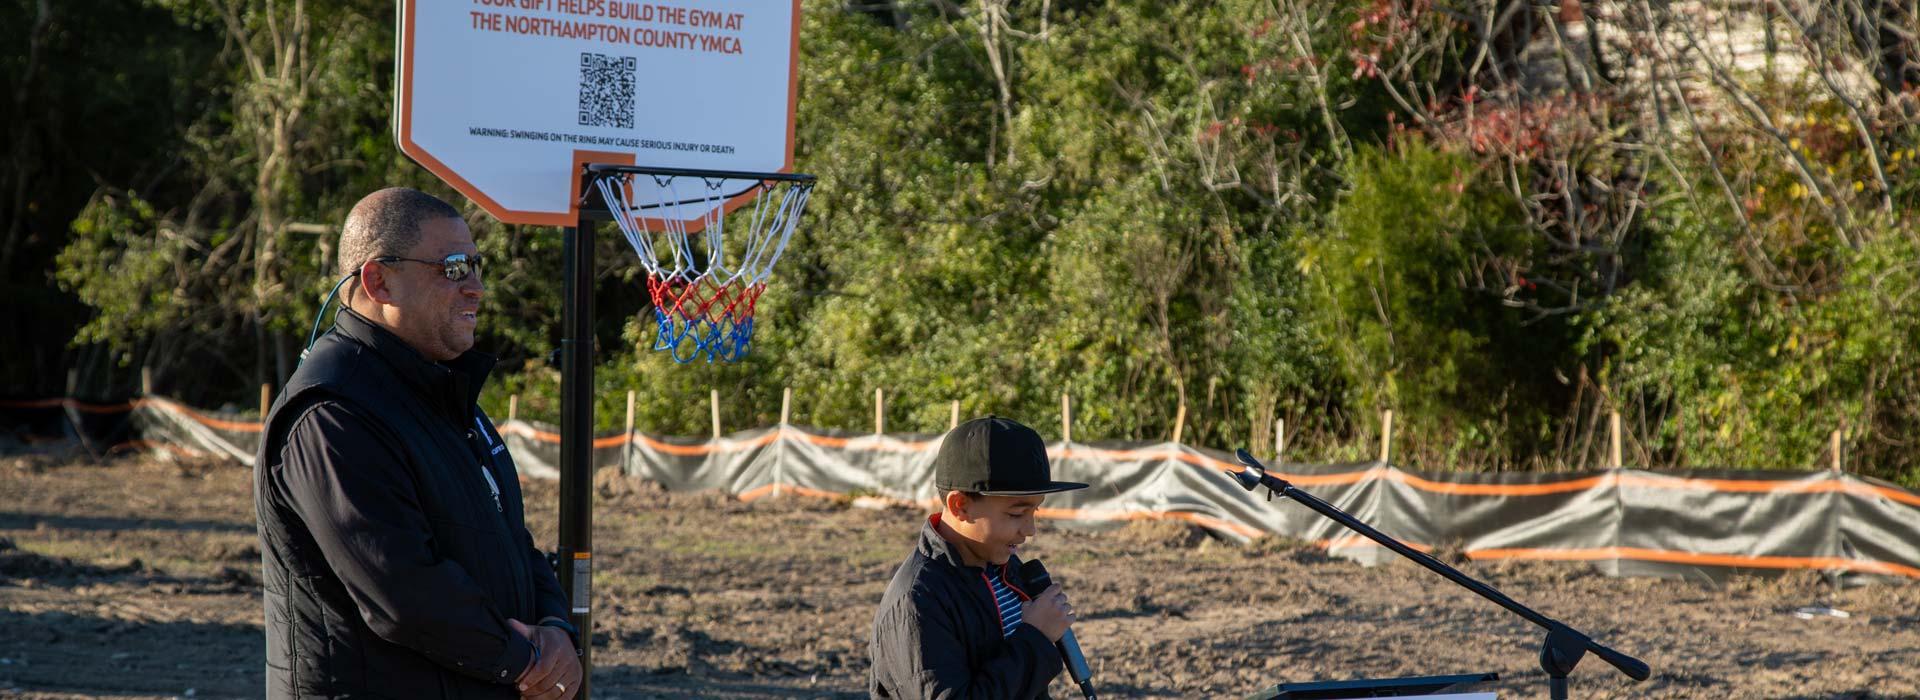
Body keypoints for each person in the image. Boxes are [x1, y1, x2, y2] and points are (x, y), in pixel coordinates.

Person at [254, 187, 581, 699]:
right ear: (378, 281)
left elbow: (510, 540)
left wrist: (556, 626)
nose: (475, 287)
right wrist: (525, 659)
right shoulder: (333, 413)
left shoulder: (442, 396)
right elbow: (401, 590)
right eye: (453, 268)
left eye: (477, 265)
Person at [870, 415, 1089, 699]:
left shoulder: (1003, 568)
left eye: (1035, 511)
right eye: (1015, 513)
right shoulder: (917, 602)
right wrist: (1036, 637)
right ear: (960, 505)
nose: (1030, 529)